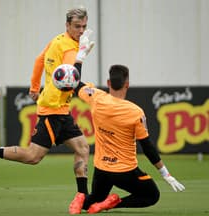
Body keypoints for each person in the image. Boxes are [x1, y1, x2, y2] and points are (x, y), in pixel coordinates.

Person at [0, 7, 94, 214]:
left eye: (84, 27)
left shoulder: (57, 40)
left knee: (82, 148)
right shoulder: (71, 49)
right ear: (67, 25)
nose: (81, 31)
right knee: (33, 157)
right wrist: (81, 60)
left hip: (60, 109)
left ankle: (83, 197)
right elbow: (72, 81)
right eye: (77, 26)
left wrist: (34, 88)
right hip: (53, 109)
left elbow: (39, 60)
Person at [69, 59, 185, 213]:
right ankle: (114, 203)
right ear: (127, 84)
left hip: (101, 169)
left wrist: (80, 58)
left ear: (108, 82)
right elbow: (147, 146)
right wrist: (165, 174)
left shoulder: (96, 97)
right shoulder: (135, 112)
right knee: (152, 196)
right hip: (125, 172)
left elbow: (75, 82)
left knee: (93, 201)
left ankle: (81, 198)